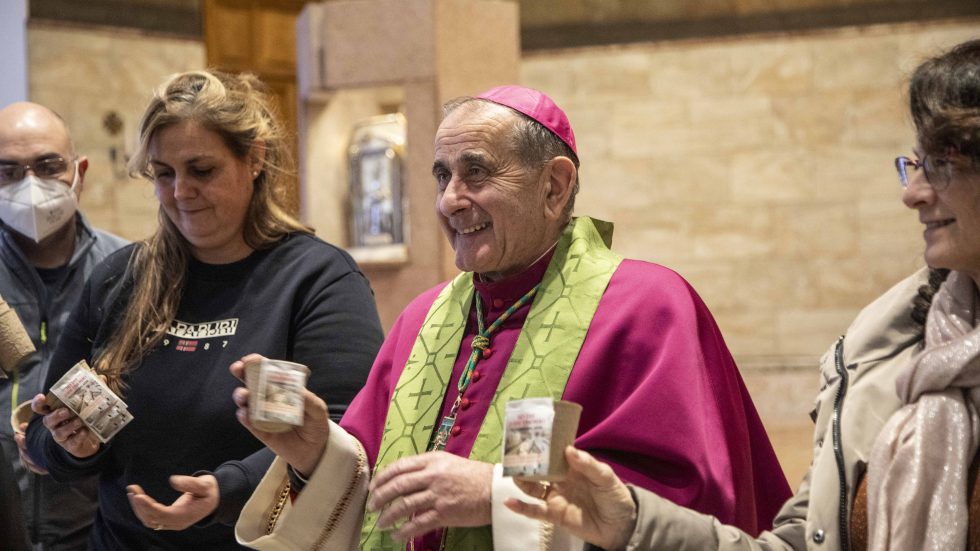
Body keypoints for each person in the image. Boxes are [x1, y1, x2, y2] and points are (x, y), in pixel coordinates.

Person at [233, 85, 791, 550]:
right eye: (441, 176)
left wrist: (497, 494)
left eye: (475, 173)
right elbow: (373, 491)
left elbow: (678, 509)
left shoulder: (648, 308)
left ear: (554, 186)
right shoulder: (422, 319)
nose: (450, 200)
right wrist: (315, 450)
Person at [504, 38, 980, 551]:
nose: (913, 192)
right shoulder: (881, 349)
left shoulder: (646, 300)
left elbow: (688, 472)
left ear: (555, 186)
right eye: (915, 165)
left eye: (943, 164)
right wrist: (631, 525)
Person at [24, 70, 384, 550]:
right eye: (163, 174)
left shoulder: (318, 279)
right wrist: (72, 448)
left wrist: (225, 491)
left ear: (253, 158)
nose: (179, 192)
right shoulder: (119, 278)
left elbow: (349, 433)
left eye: (201, 170)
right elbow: (44, 437)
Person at [0, 101, 127, 549]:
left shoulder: (128, 273)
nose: (29, 184)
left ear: (80, 172)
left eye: (48, 165)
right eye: (8, 171)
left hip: (95, 531)